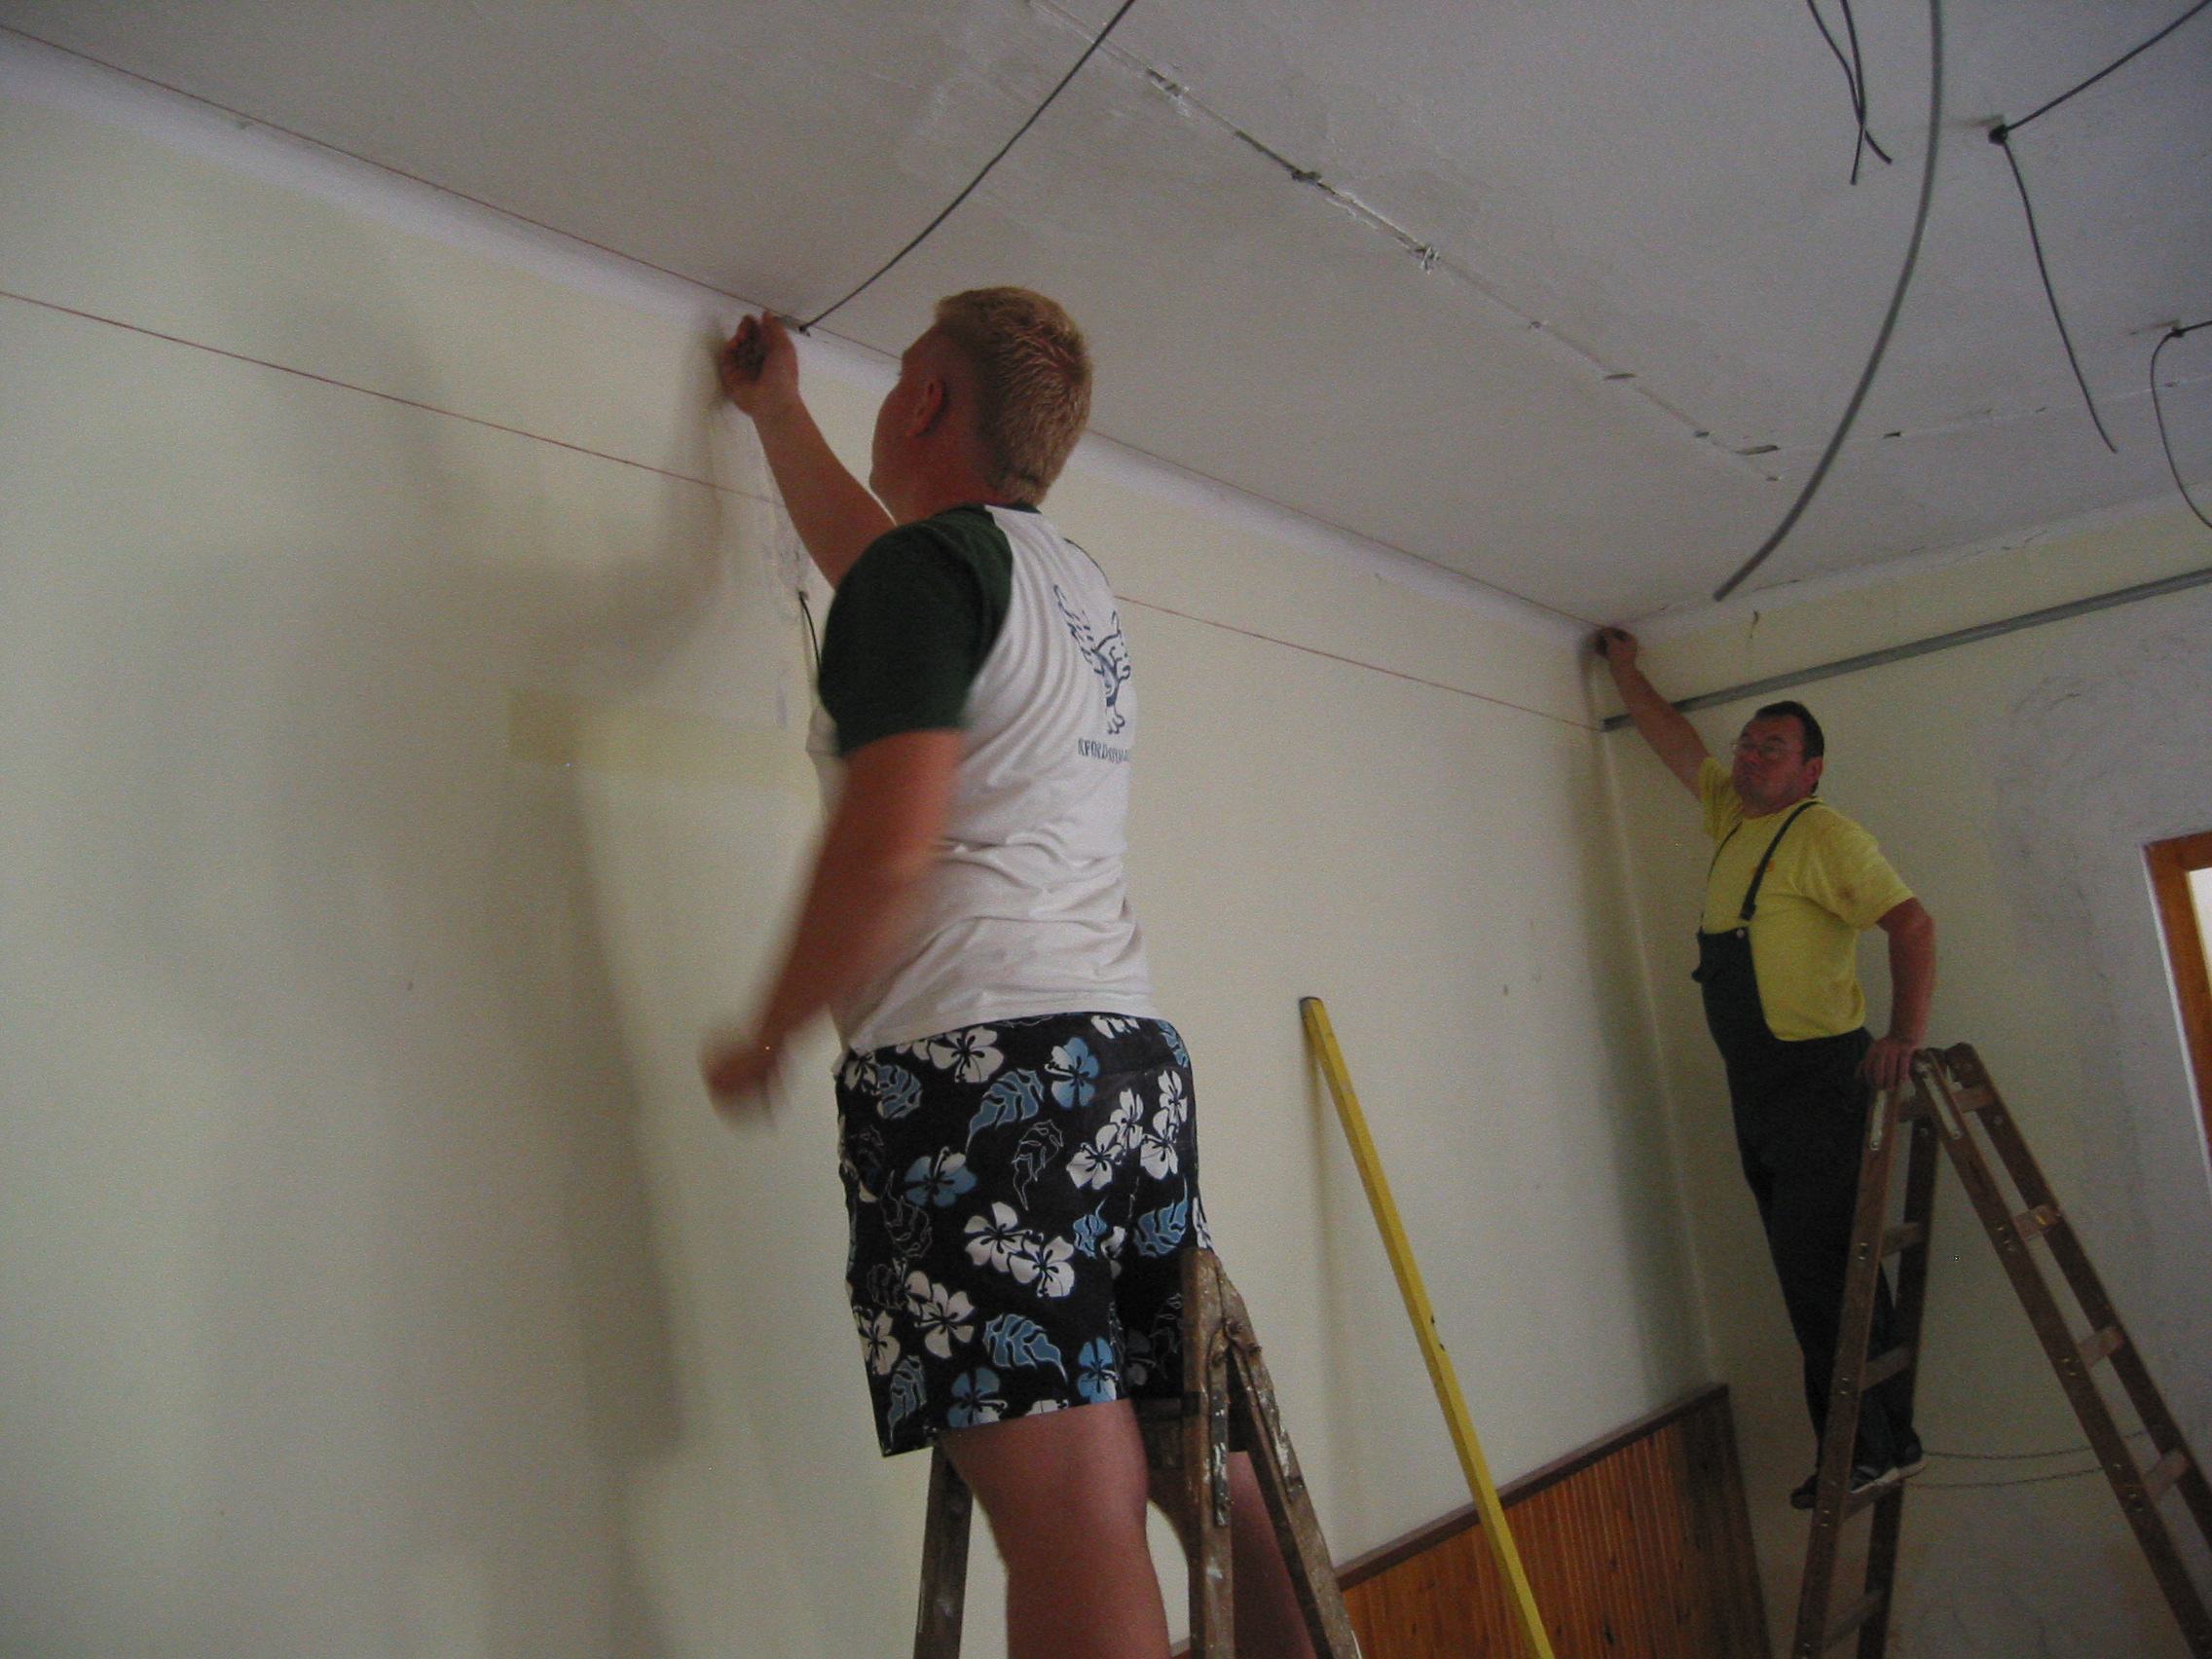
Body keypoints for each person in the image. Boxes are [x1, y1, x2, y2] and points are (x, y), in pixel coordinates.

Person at [702, 291, 1314, 1659]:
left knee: (1074, 1516)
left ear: (925, 400)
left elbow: (889, 838)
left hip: (977, 1078)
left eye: (897, 379)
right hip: (1126, 1068)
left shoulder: (929, 579)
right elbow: (878, 570)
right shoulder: (1063, 584)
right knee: (1201, 1467)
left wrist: (771, 1030)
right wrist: (779, 416)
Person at [1599, 627, 1934, 1507]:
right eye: (1748, 743)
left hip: (1819, 1082)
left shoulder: (1824, 835)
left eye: (1772, 749)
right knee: (1818, 1269)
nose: (1750, 757)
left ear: (1810, 770)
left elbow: (1912, 924)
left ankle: (1860, 1451)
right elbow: (1675, 740)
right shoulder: (1733, 818)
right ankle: (1883, 1441)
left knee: (1819, 1272)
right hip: (1759, 1089)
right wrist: (1626, 671)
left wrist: (1904, 1035)